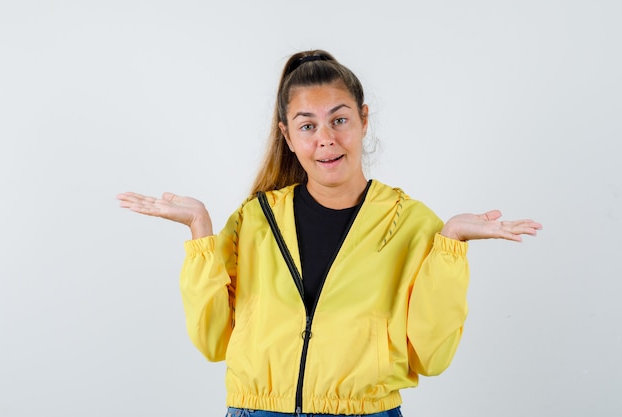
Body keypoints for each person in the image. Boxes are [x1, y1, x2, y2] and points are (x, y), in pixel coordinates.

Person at [117, 50, 542, 417]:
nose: (326, 139)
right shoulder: (255, 219)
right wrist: (200, 233)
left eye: (339, 119)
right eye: (307, 126)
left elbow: (431, 357)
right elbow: (213, 341)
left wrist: (451, 245)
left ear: (362, 120)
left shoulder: (412, 224)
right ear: (287, 134)